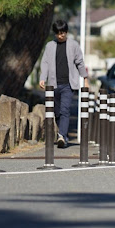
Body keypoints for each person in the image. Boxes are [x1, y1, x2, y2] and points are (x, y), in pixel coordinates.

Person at [39, 19, 89, 148]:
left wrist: (85, 78)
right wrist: (42, 78)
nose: (61, 35)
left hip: (68, 84)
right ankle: (62, 134)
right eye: (59, 33)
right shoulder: (50, 46)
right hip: (53, 85)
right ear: (55, 33)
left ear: (66, 32)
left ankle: (62, 136)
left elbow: (80, 62)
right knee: (56, 112)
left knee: (65, 110)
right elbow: (44, 62)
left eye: (63, 33)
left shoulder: (73, 45)